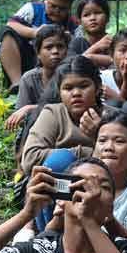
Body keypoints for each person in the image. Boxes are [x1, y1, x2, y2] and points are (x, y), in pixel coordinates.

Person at [44, 104, 127, 247]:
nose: (108, 147)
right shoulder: (78, 178)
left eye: (119, 141)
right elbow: (50, 235)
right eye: (102, 140)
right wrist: (60, 216)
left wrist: (107, 217)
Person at [20, 55, 106, 233]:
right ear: (59, 92)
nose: (76, 93)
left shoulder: (111, 117)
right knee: (59, 161)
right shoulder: (53, 113)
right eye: (68, 88)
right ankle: (51, 235)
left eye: (83, 86)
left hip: (98, 188)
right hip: (56, 193)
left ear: (97, 87)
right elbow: (29, 158)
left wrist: (98, 135)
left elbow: (120, 160)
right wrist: (81, 152)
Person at [0, 0, 76, 92]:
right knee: (7, 33)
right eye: (53, 6)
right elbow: (11, 24)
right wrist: (36, 32)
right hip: (25, 58)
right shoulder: (32, 8)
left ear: (69, 7)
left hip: (55, 65)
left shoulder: (73, 23)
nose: (57, 11)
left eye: (62, 8)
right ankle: (17, 84)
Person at [5, 24, 70, 132]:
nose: (55, 51)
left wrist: (31, 108)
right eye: (49, 47)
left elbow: (72, 109)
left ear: (67, 50)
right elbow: (20, 118)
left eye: (60, 46)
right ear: (38, 53)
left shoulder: (72, 76)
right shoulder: (29, 79)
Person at [67, 0, 113, 69]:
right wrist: (96, 47)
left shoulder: (115, 43)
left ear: (107, 17)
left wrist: (91, 57)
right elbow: (68, 68)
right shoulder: (77, 44)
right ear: (79, 21)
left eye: (98, 13)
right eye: (86, 15)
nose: (92, 18)